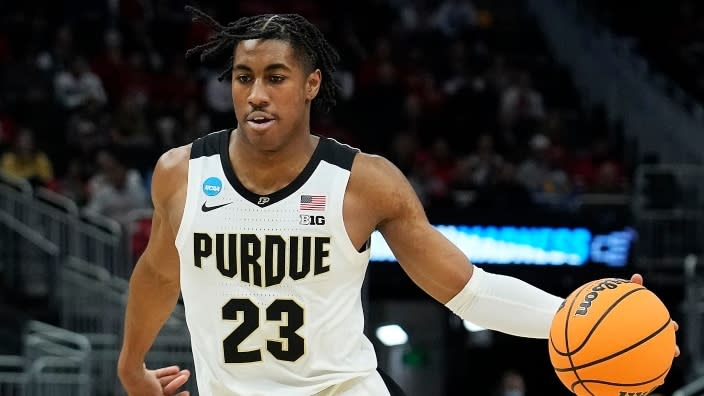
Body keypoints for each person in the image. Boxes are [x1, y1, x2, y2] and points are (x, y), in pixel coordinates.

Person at [117, 7, 679, 396]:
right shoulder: (181, 174)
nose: (256, 94)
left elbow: (467, 290)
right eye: (243, 77)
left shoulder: (366, 183)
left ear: (312, 84)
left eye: (275, 76)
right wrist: (131, 362)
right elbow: (161, 276)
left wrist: (572, 318)